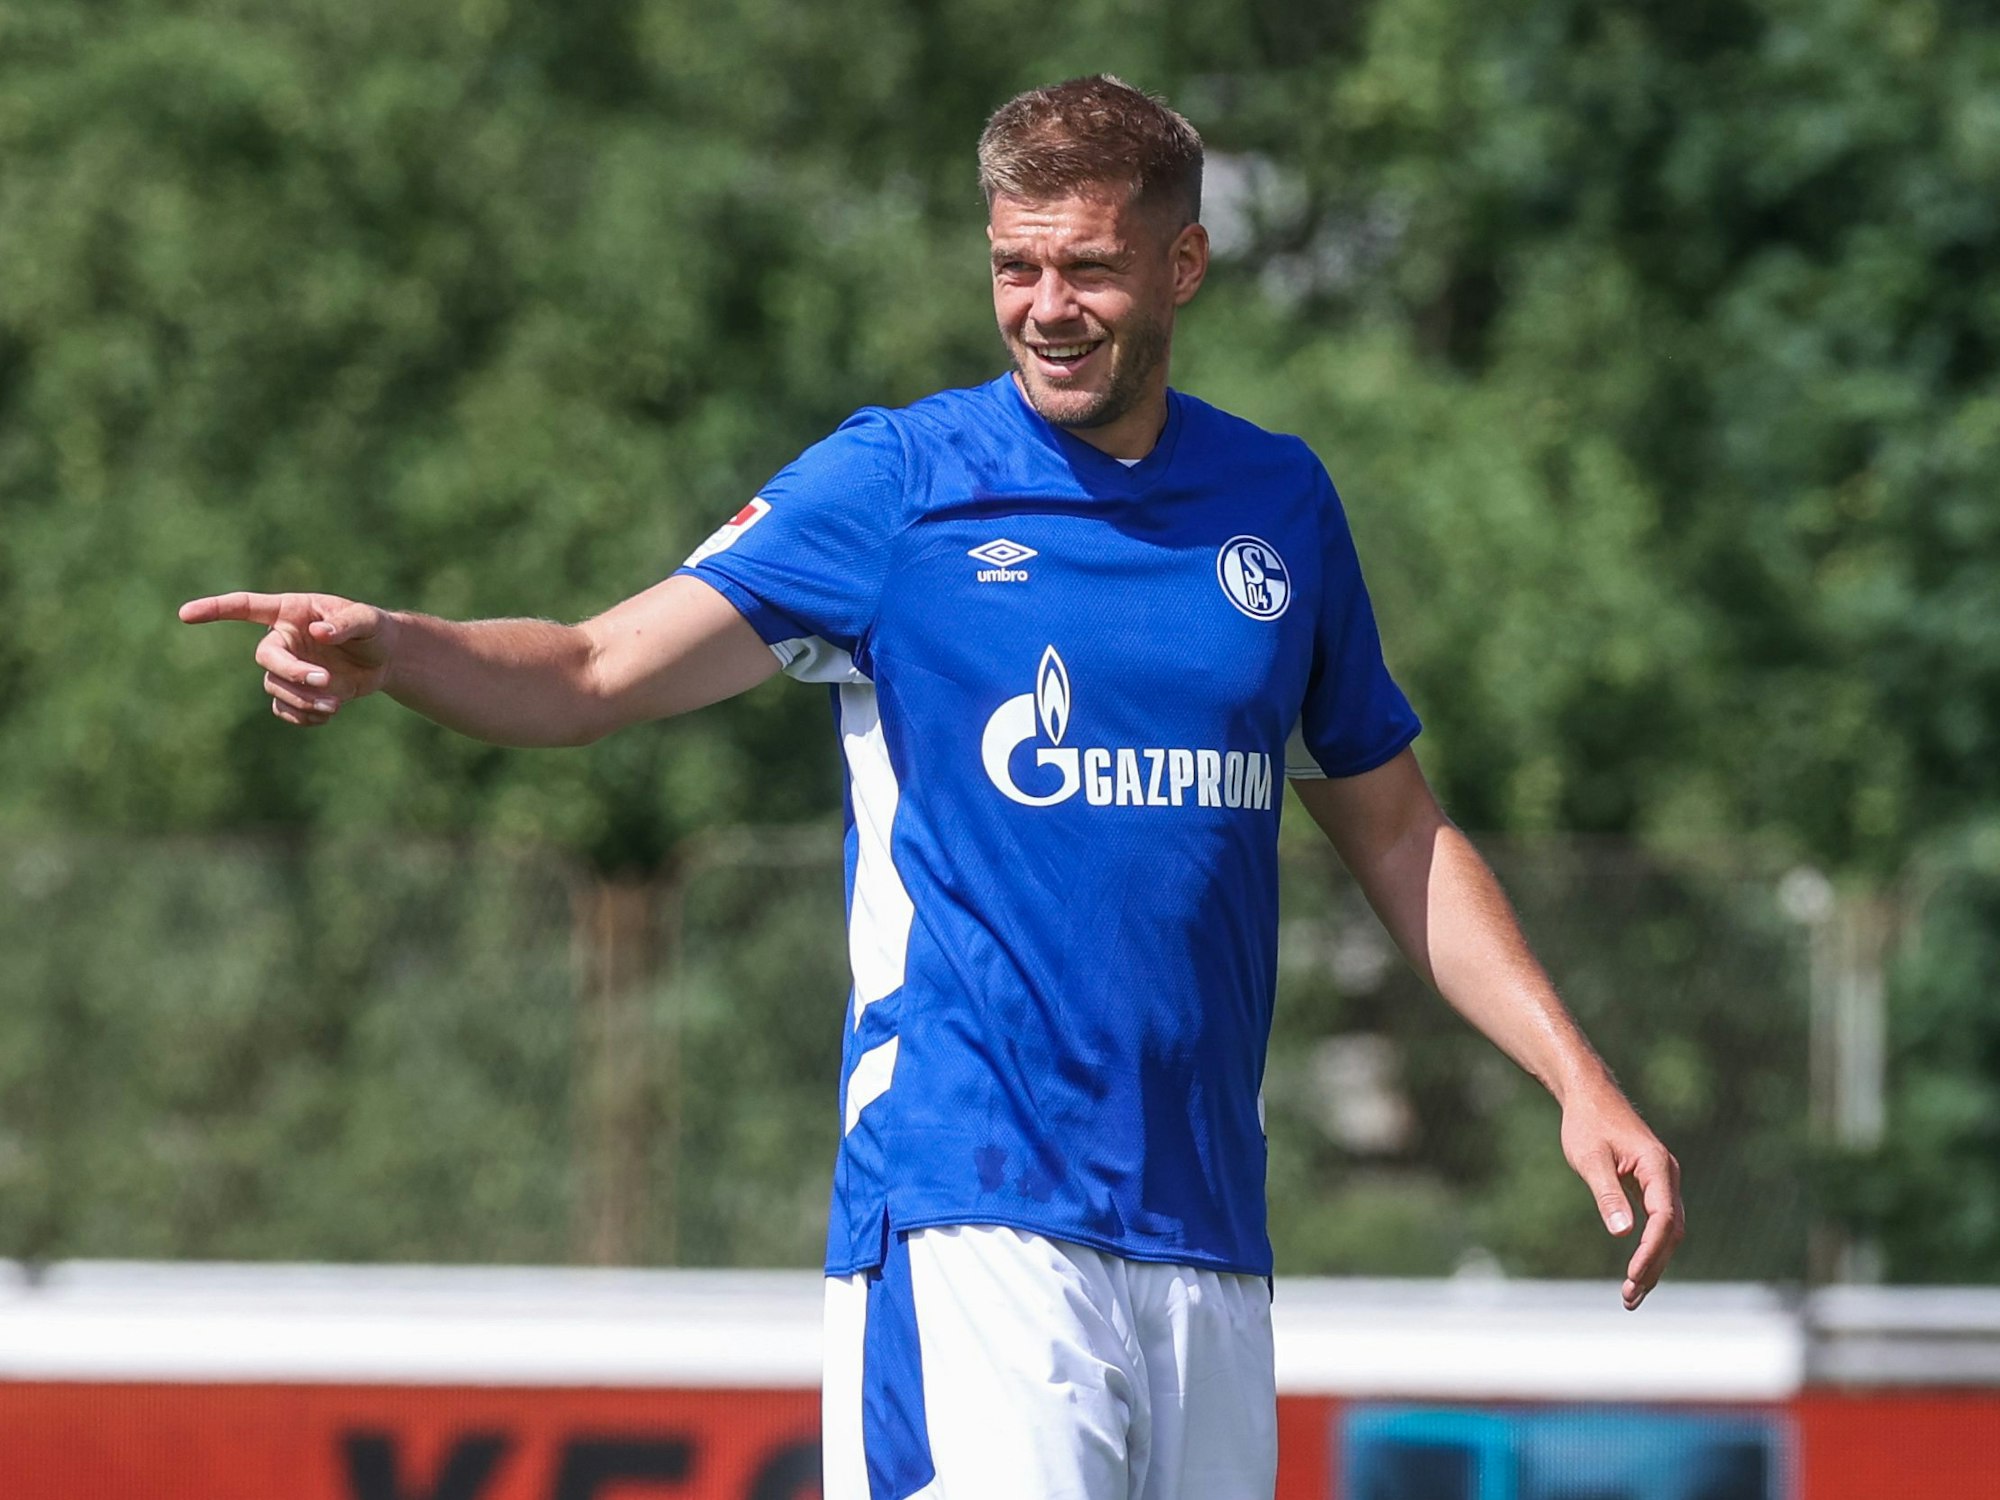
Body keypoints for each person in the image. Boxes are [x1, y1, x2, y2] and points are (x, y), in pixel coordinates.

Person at [182, 75, 1683, 1500]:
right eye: (1015, 267)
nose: (1047, 308)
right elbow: (587, 669)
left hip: (1211, 1229)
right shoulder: (901, 486)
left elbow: (1398, 825)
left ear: (1186, 265)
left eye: (1088, 267)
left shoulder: (1278, 505)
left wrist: (1577, 1075)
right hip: (972, 1199)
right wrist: (397, 646)